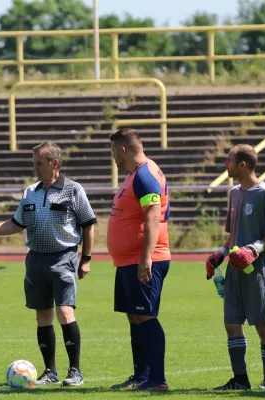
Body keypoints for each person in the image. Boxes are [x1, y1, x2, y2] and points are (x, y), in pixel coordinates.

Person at [0, 141, 96, 387]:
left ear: (54, 163)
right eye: (34, 163)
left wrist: (85, 258)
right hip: (35, 260)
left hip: (64, 257)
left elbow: (88, 224)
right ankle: (50, 372)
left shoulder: (73, 190)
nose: (35, 168)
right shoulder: (30, 192)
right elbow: (15, 224)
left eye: (39, 163)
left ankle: (75, 372)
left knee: (65, 311)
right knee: (43, 315)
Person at [205, 144, 265, 391]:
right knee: (232, 323)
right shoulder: (234, 193)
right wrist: (219, 254)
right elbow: (232, 236)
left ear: (242, 164)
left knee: (262, 326)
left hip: (258, 270)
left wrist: (253, 249)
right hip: (234, 270)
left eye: (228, 161)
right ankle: (240, 380)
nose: (225, 165)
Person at [107, 128, 171, 392]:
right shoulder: (136, 174)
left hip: (144, 259)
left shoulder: (145, 174)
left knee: (145, 316)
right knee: (135, 316)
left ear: (123, 149)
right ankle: (141, 376)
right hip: (129, 260)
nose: (111, 157)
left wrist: (146, 259)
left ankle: (157, 379)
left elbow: (153, 215)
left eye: (112, 151)